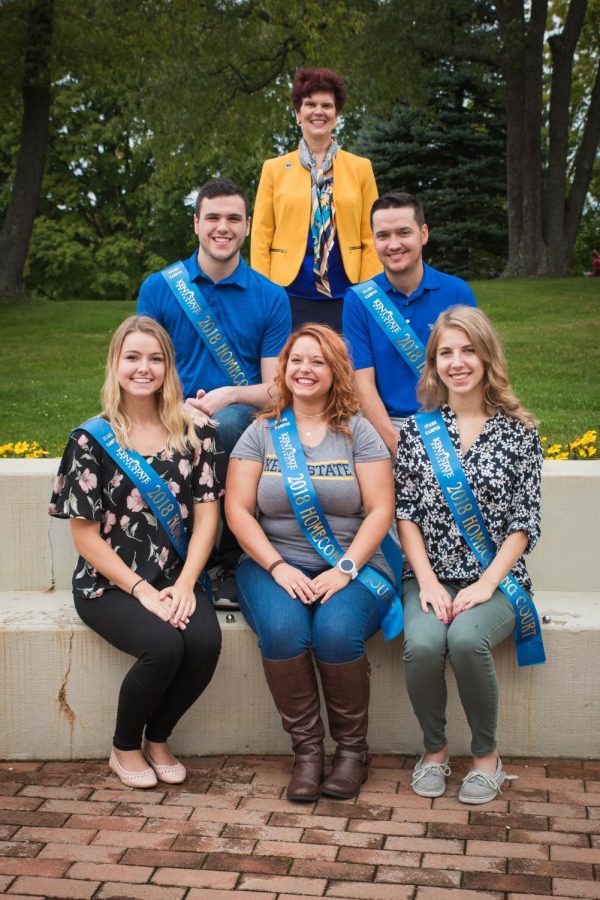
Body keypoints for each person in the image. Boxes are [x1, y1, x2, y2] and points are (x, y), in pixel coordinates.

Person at [49, 316, 225, 788]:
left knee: (205, 644)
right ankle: (125, 746)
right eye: (132, 357)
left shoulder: (198, 434)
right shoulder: (90, 438)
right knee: (164, 647)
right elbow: (85, 537)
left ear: (169, 366)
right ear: (116, 363)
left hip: (177, 577)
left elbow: (207, 516)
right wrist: (143, 591)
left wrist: (186, 583)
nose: (143, 368)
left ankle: (159, 738)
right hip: (108, 585)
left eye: (155, 358)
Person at [225, 323, 397, 801]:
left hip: (353, 563)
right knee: (282, 631)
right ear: (284, 369)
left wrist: (344, 571)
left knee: (335, 633)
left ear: (335, 371)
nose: (305, 369)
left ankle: (351, 753)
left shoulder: (358, 431)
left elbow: (381, 510)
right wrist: (278, 567)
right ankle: (307, 754)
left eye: (317, 361)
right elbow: (238, 510)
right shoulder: (262, 430)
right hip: (271, 563)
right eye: (297, 360)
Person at [394, 306, 543, 804]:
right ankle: (434, 752)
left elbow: (525, 522)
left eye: (467, 350)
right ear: (434, 363)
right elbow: (406, 515)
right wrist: (429, 582)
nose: (457, 362)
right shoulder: (417, 432)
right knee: (422, 642)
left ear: (486, 356)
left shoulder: (519, 432)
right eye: (446, 353)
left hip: (497, 580)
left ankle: (485, 759)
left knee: (464, 639)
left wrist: (485, 584)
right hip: (429, 577)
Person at [138, 177, 291, 600]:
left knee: (223, 426)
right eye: (213, 218)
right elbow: (141, 369)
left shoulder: (271, 296)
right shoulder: (160, 287)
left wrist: (231, 395)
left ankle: (224, 558)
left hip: (241, 420)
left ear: (246, 227)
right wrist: (176, 406)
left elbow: (277, 391)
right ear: (196, 224)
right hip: (166, 411)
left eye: (233, 219)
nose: (222, 227)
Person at [343, 192, 477, 457]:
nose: (393, 244)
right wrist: (396, 444)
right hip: (383, 425)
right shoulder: (358, 300)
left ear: (423, 234)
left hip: (447, 421)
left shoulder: (457, 293)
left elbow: (472, 372)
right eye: (383, 235)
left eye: (403, 233)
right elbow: (362, 384)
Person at [251, 67, 380, 332]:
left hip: (348, 294)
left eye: (326, 105)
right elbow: (262, 236)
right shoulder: (273, 169)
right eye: (310, 104)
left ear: (337, 114)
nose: (318, 111)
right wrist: (264, 292)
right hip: (288, 294)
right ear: (298, 113)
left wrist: (369, 292)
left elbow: (371, 235)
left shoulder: (361, 168)